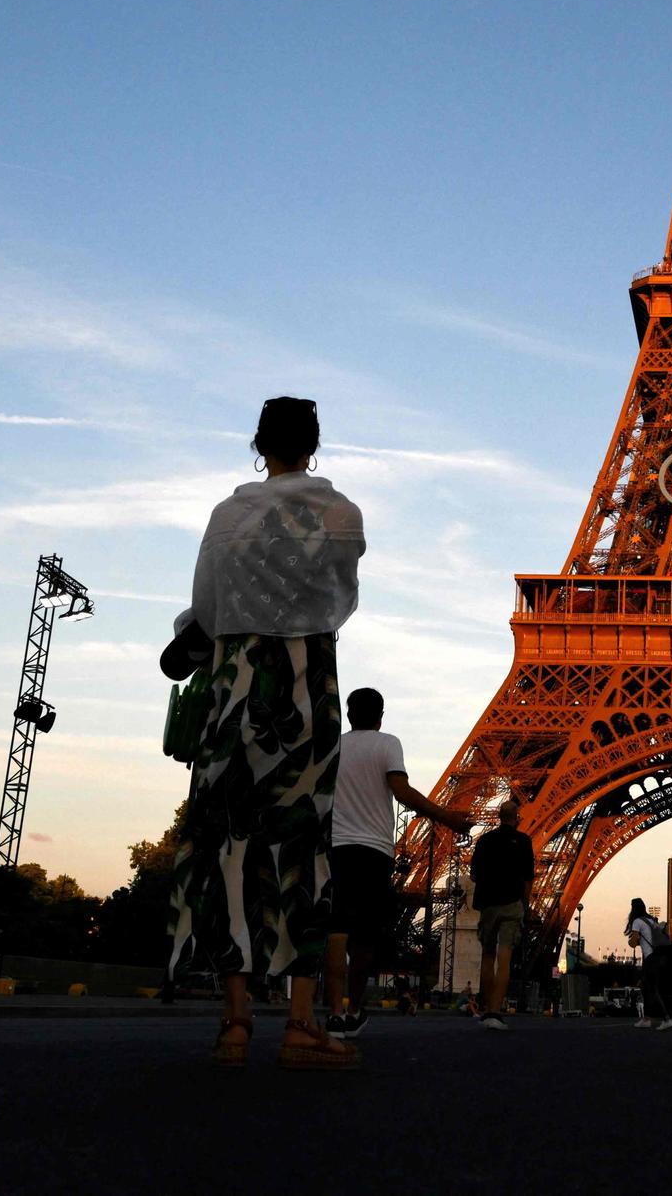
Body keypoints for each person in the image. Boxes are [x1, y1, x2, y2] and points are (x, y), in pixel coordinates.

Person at [166, 396, 365, 1072]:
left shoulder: (227, 517)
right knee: (304, 847)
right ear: (315, 443)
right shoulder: (342, 516)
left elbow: (209, 610)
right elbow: (338, 602)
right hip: (308, 691)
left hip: (234, 689)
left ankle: (235, 1021)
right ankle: (303, 1022)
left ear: (259, 443)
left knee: (228, 845)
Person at [324, 686, 470, 1038]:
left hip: (337, 848)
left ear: (348, 713)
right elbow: (402, 792)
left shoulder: (334, 746)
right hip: (374, 851)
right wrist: (447, 818)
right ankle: (354, 1009)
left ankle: (333, 1013)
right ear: (381, 715)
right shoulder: (387, 743)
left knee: (336, 932)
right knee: (364, 937)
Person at [470, 798, 535, 1030]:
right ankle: (496, 1013)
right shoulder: (523, 841)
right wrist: (524, 905)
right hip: (512, 904)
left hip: (488, 903)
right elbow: (528, 879)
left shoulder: (484, 840)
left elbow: (474, 874)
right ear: (517, 818)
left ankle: (487, 1010)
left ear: (498, 816)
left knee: (488, 955)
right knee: (504, 957)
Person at [624, 897, 670, 1028]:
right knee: (646, 988)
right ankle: (647, 1018)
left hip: (650, 959)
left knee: (652, 989)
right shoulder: (651, 920)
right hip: (658, 958)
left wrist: (632, 940)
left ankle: (666, 1019)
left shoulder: (637, 921)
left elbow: (633, 942)